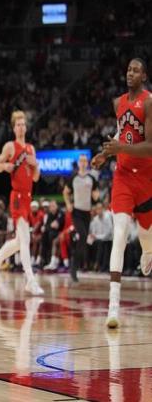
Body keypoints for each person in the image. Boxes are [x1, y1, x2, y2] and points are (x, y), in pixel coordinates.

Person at [91, 58, 152, 328]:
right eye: (128, 69)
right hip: (123, 177)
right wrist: (104, 155)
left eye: (136, 70)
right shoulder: (118, 103)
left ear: (144, 76)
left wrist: (119, 149)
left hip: (146, 179)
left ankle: (148, 253)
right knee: (120, 234)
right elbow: (121, 133)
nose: (130, 73)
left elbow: (150, 146)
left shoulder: (149, 103)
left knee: (147, 236)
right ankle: (113, 307)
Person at [0, 110, 44, 295]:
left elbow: (35, 178)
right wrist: (5, 166)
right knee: (25, 239)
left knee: (20, 241)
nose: (21, 127)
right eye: (18, 125)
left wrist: (36, 165)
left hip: (28, 197)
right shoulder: (10, 146)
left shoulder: (31, 149)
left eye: (23, 124)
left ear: (26, 127)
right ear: (14, 128)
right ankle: (30, 280)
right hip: (17, 197)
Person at [62, 154, 99, 281]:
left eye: (85, 161)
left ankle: (75, 265)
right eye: (81, 161)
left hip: (87, 213)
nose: (83, 163)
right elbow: (65, 192)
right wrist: (68, 204)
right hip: (76, 212)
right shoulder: (73, 177)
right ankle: (73, 268)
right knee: (82, 236)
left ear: (87, 163)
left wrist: (96, 195)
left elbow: (96, 196)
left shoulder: (91, 178)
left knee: (83, 242)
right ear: (78, 163)